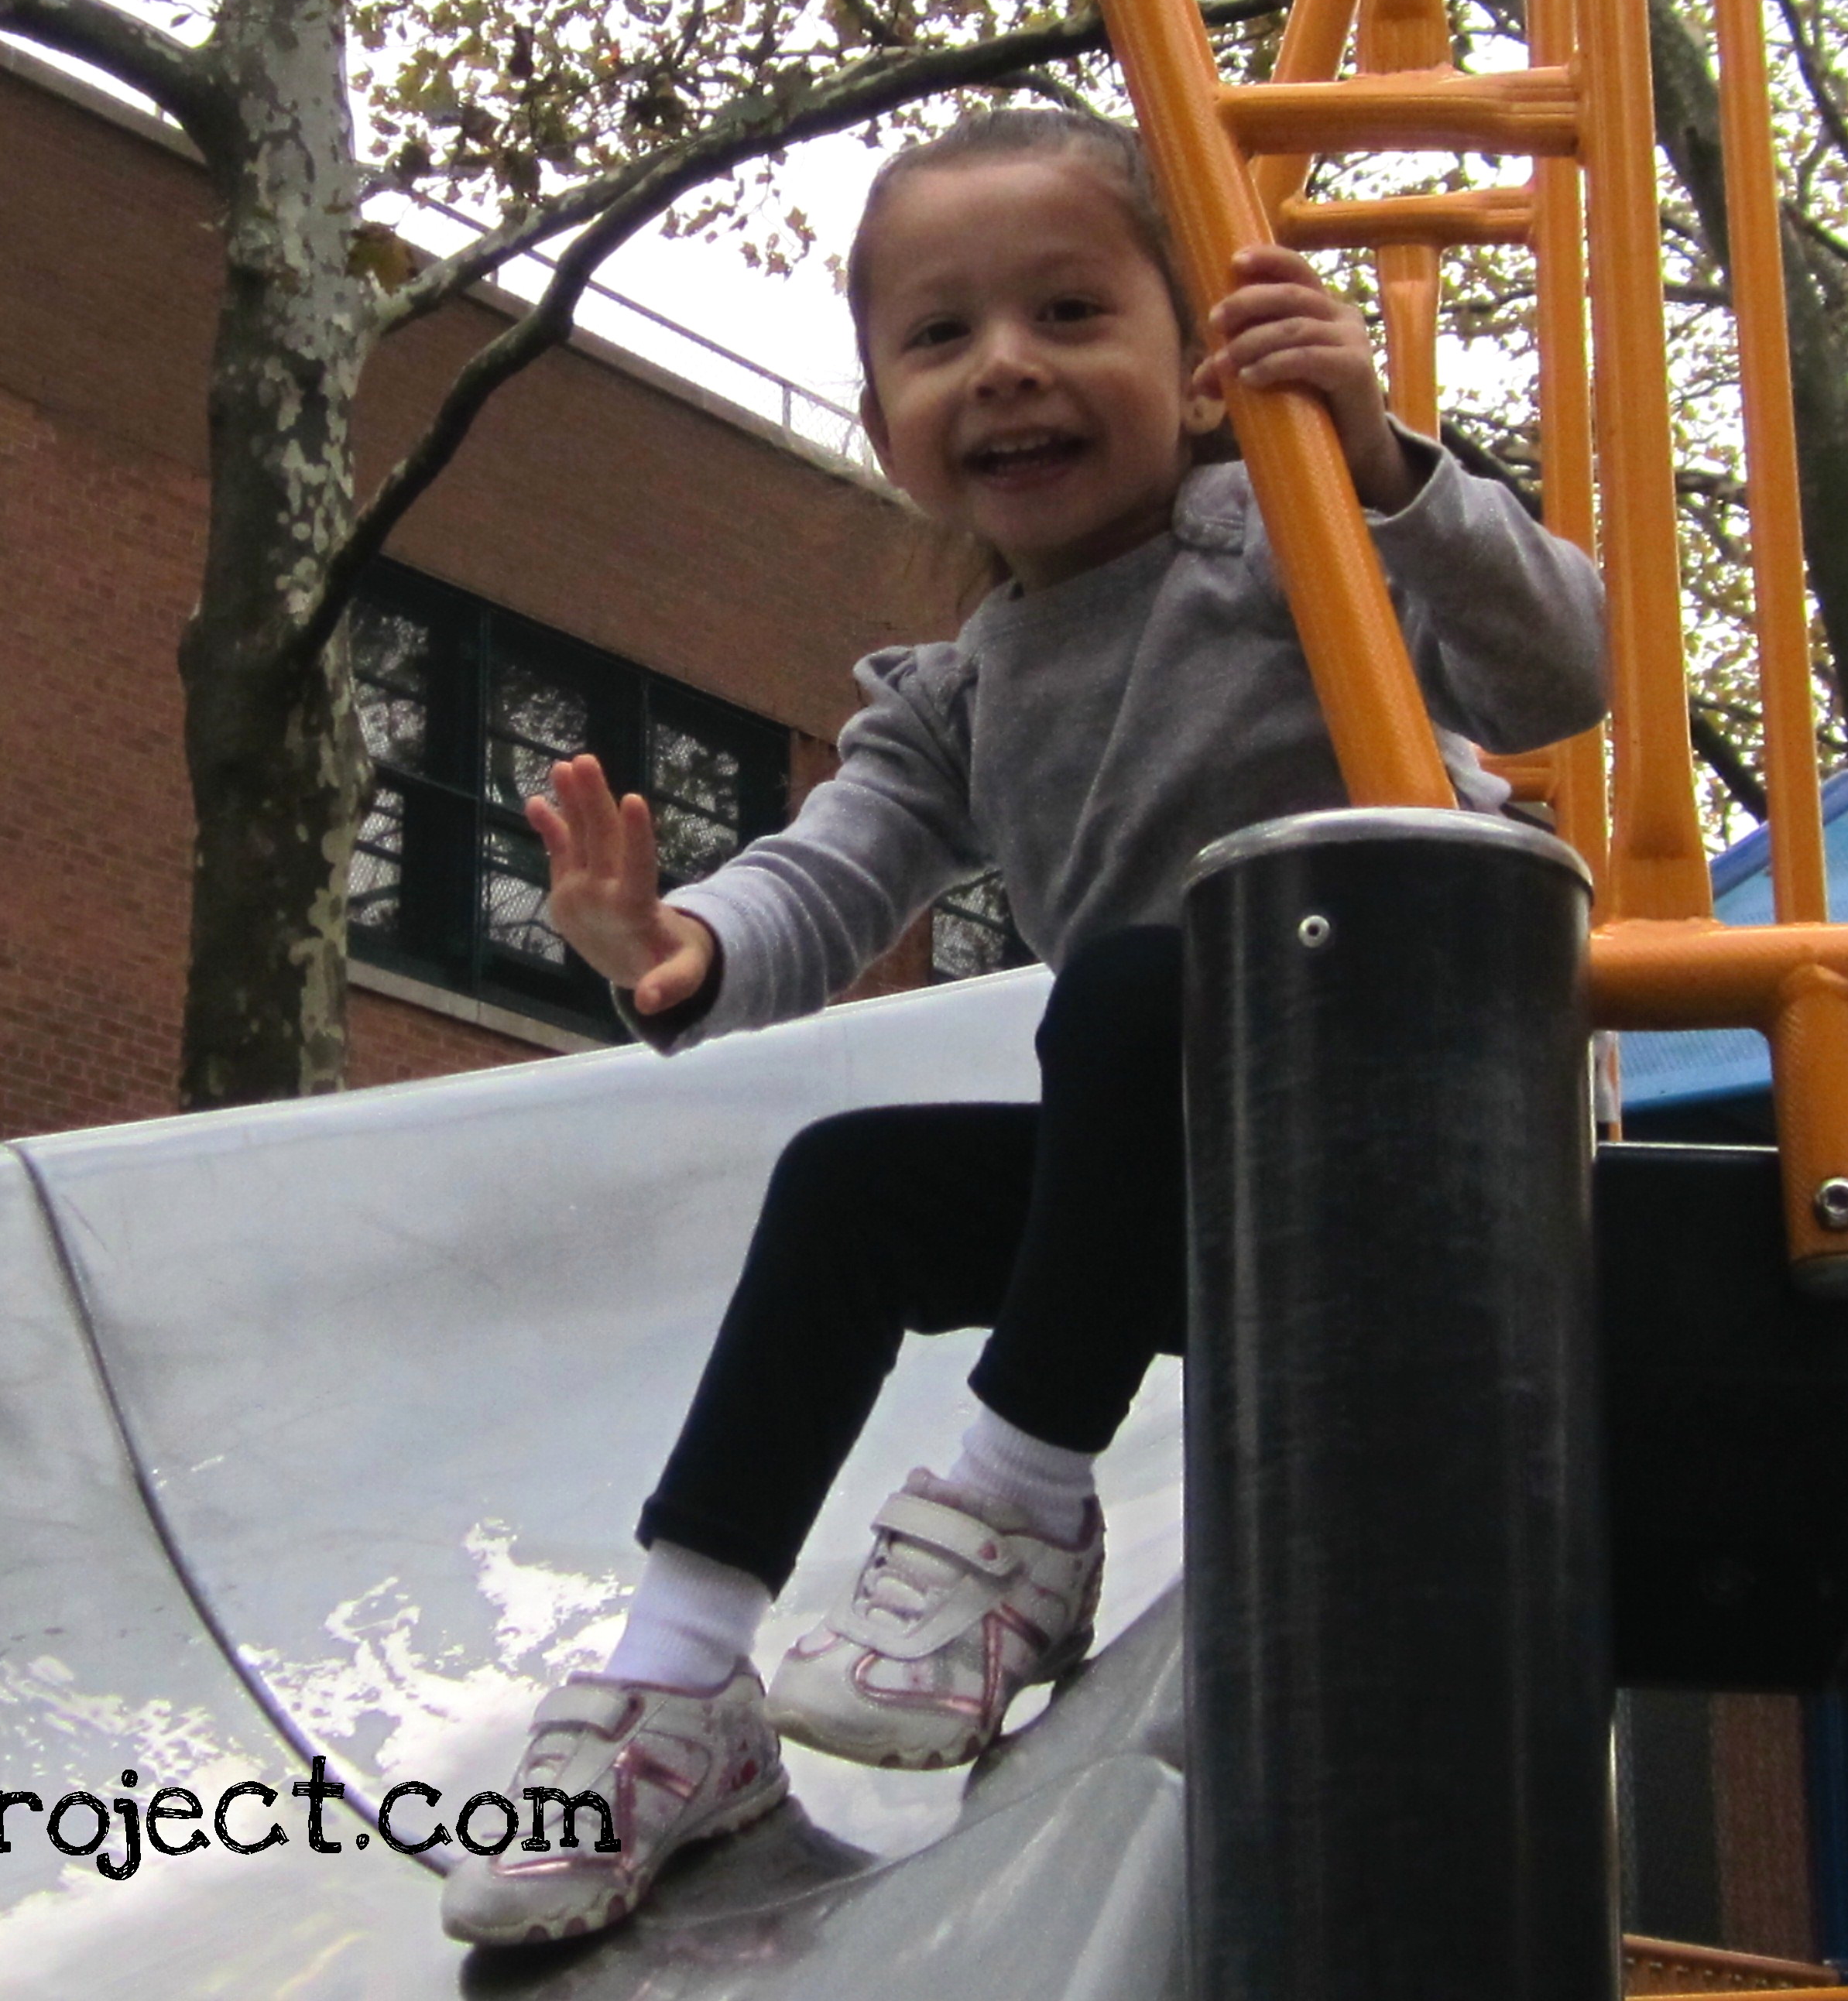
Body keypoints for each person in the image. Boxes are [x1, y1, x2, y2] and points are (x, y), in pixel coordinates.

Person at [439, 105, 1608, 1948]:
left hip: (1426, 1141)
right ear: (885, 418)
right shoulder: (958, 693)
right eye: (941, 337)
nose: (1004, 368)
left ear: (1202, 364)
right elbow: (832, 874)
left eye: (1069, 314)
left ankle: (1022, 1508)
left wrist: (1381, 461)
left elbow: (1561, 666)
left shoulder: (1286, 533)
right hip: (1208, 1192)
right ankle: (676, 1684)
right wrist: (677, 943)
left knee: (1144, 976)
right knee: (855, 1185)